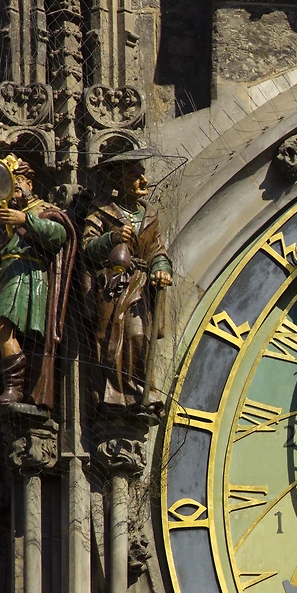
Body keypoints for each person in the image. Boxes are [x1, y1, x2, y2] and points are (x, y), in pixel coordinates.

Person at [0, 157, 75, 408]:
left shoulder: (43, 210)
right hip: (11, 276)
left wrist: (25, 220)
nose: (15, 188)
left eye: (18, 181)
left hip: (28, 278)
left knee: (1, 325)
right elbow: (5, 255)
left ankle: (14, 387)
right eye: (10, 184)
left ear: (30, 183)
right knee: (4, 329)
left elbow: (59, 235)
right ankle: (16, 388)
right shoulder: (11, 220)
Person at [81, 149, 173, 408]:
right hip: (112, 284)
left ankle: (141, 391)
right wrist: (111, 238)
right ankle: (112, 394)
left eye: (142, 174)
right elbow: (87, 247)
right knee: (109, 338)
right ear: (118, 182)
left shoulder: (149, 215)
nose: (144, 181)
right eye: (135, 175)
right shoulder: (101, 211)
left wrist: (161, 269)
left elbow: (158, 251)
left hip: (140, 286)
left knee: (138, 334)